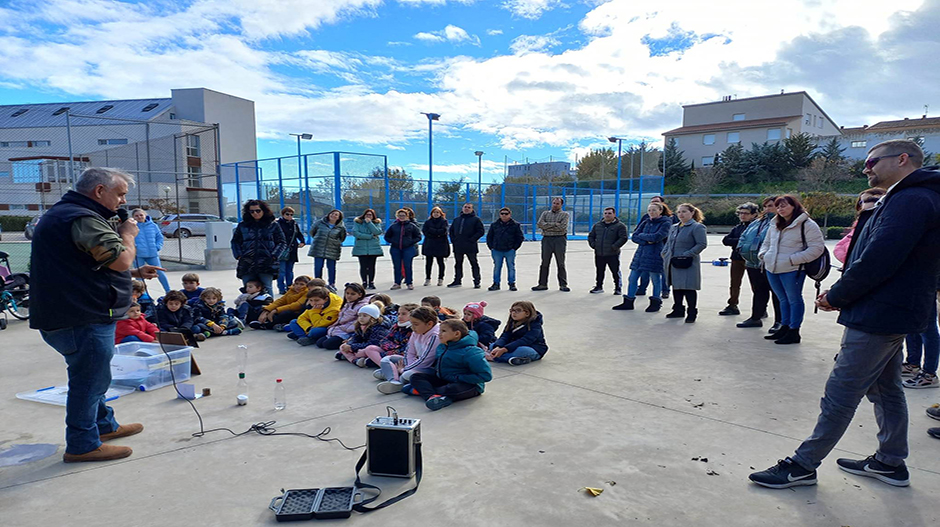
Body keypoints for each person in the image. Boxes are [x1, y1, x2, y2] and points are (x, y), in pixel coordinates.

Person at [750, 139, 940, 489]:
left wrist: (837, 295)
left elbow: (879, 259)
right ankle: (890, 462)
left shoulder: (913, 199)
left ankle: (802, 466)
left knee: (841, 391)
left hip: (879, 312)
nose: (865, 168)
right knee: (886, 389)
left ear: (901, 159)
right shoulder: (909, 197)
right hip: (890, 309)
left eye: (871, 161)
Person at [30, 167, 164, 462]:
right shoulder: (83, 217)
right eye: (120, 194)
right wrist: (128, 236)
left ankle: (103, 426)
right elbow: (117, 258)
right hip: (81, 315)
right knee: (89, 380)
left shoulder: (68, 213)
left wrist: (134, 272)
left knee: (94, 373)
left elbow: (83, 265)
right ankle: (82, 443)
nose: (122, 200)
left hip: (72, 311)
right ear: (99, 191)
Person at [758, 195, 825, 345]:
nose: (780, 209)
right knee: (783, 299)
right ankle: (785, 326)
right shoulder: (774, 223)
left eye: (784, 206)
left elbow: (817, 248)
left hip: (792, 269)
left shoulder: (807, 224)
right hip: (772, 267)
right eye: (778, 206)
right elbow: (766, 242)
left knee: (794, 300)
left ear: (794, 206)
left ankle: (794, 331)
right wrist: (764, 255)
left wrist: (793, 259)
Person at [407, 319, 493, 411]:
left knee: (451, 389)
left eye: (443, 331)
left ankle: (428, 392)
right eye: (440, 331)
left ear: (456, 334)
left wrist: (457, 378)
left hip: (469, 385)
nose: (439, 334)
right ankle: (433, 396)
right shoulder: (442, 346)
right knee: (416, 377)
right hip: (445, 379)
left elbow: (485, 375)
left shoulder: (471, 352)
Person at [613, 201, 671, 312]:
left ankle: (655, 302)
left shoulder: (666, 223)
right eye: (649, 210)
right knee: (632, 278)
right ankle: (629, 301)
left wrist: (644, 237)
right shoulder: (645, 222)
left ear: (660, 211)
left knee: (655, 279)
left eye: (654, 210)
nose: (651, 212)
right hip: (640, 254)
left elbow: (657, 237)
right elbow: (635, 236)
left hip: (655, 254)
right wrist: (646, 240)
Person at [735, 197, 782, 330]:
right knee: (759, 291)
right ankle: (756, 317)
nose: (767, 209)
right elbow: (744, 235)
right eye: (766, 206)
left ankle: (780, 321)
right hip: (752, 263)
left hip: (769, 264)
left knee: (776, 293)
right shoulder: (757, 222)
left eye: (771, 206)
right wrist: (741, 248)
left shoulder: (780, 222)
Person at [376, 306, 440, 394]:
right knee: (386, 359)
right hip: (415, 363)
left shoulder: (435, 336)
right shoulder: (416, 332)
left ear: (429, 324)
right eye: (411, 323)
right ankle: (394, 380)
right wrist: (407, 366)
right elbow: (409, 352)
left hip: (428, 367)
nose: (412, 327)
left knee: (407, 374)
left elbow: (425, 360)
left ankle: (396, 378)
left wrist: (404, 370)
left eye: (416, 324)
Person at [662, 203, 707, 323]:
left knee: (688, 288)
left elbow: (701, 244)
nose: (681, 214)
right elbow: (668, 243)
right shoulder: (674, 227)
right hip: (673, 261)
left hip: (688, 262)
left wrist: (687, 254)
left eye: (684, 211)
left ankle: (692, 312)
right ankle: (678, 309)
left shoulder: (697, 227)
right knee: (676, 287)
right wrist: (665, 253)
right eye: (679, 212)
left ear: (692, 213)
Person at [231, 199, 287, 296]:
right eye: (252, 211)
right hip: (247, 262)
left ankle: (268, 310)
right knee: (248, 289)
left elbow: (282, 242)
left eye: (258, 210)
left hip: (266, 262)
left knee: (267, 288)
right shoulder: (243, 226)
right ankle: (250, 310)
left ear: (263, 210)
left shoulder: (273, 225)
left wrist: (274, 256)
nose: (255, 213)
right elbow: (235, 241)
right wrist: (239, 255)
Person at [718, 203, 758, 316]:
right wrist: (740, 241)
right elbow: (726, 240)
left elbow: (752, 242)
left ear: (754, 215)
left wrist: (738, 242)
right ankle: (732, 304)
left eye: (746, 213)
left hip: (751, 259)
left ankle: (760, 308)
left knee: (755, 285)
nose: (742, 215)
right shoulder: (738, 227)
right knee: (734, 283)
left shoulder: (756, 228)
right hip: (736, 258)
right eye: (740, 213)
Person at [636, 196, 678, 298]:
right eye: (651, 203)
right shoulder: (646, 217)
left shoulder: (670, 218)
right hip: (647, 249)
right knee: (644, 271)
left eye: (656, 203)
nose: (652, 209)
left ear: (662, 205)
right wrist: (646, 240)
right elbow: (637, 233)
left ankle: (665, 290)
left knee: (662, 272)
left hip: (663, 247)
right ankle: (642, 288)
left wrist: (653, 238)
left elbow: (662, 235)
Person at [901, 281, 940, 389]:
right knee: (913, 322)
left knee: (927, 325)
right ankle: (913, 364)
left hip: (926, 281)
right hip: (915, 281)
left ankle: (929, 374)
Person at [833, 188, 886, 264]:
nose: (863, 204)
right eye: (861, 202)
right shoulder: (858, 224)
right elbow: (839, 247)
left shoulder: (881, 222)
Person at [364, 303, 417, 377]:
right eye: (398, 314)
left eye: (403, 314)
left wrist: (391, 350)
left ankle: (390, 371)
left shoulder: (413, 330)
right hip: (391, 351)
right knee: (370, 349)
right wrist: (394, 347)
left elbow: (406, 350)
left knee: (369, 361)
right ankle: (386, 368)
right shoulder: (396, 326)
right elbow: (384, 340)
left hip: (403, 356)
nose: (399, 316)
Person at [488, 301, 548, 366]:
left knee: (521, 351)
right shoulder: (512, 323)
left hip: (533, 347)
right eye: (512, 310)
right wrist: (498, 346)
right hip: (513, 345)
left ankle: (494, 358)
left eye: (518, 310)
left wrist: (505, 349)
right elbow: (505, 336)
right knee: (492, 345)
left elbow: (525, 340)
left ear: (527, 313)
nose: (513, 313)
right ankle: (514, 359)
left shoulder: (535, 325)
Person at [587, 207, 628, 295]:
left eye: (609, 213)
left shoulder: (620, 226)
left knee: (615, 271)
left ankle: (618, 287)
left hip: (612, 253)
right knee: (599, 271)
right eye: (605, 213)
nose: (607, 215)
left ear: (614, 214)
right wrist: (593, 245)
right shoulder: (597, 225)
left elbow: (623, 238)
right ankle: (599, 286)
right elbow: (591, 236)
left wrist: (615, 246)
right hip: (599, 253)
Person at [317, 282, 371, 349]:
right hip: (340, 329)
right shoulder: (346, 304)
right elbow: (340, 319)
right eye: (347, 293)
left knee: (327, 344)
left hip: (349, 332)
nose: (349, 296)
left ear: (360, 295)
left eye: (352, 294)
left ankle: (347, 342)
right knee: (319, 343)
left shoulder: (362, 306)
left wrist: (347, 329)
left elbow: (359, 322)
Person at [533, 197, 570, 292]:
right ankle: (542, 284)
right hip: (547, 239)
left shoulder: (565, 214)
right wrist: (555, 224)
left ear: (561, 205)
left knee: (560, 263)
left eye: (557, 203)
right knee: (544, 262)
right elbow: (540, 224)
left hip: (559, 239)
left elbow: (562, 227)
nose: (555, 205)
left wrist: (547, 226)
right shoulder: (545, 213)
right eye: (554, 203)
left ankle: (563, 284)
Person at [131, 208, 170, 293]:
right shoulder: (132, 227)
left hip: (152, 254)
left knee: (160, 273)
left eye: (141, 215)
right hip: (138, 255)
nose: (139, 217)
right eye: (136, 216)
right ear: (133, 217)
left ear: (145, 215)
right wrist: (134, 247)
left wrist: (157, 246)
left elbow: (159, 237)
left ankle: (168, 291)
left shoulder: (153, 226)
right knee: (139, 275)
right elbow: (128, 238)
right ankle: (142, 294)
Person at [447, 203, 485, 289]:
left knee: (473, 263)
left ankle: (476, 281)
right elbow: (451, 231)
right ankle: (457, 280)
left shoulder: (476, 220)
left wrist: (472, 239)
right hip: (458, 246)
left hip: (470, 246)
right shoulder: (457, 219)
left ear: (472, 209)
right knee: (458, 263)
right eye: (465, 207)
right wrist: (454, 240)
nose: (466, 209)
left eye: (469, 207)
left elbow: (480, 231)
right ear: (462, 208)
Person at [486, 207, 524, 291]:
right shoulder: (494, 225)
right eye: (502, 213)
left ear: (510, 215)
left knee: (511, 267)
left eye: (506, 214)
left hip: (509, 250)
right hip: (496, 250)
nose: (504, 215)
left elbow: (520, 237)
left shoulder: (515, 225)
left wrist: (514, 248)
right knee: (497, 267)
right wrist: (491, 247)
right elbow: (489, 237)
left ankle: (512, 284)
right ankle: (496, 284)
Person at [307, 209, 346, 289]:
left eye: (336, 215)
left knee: (331, 268)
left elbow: (342, 237)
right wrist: (319, 239)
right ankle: (318, 284)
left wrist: (334, 242)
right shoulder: (319, 223)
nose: (333, 215)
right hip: (318, 248)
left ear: (338, 218)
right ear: (329, 214)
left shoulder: (341, 227)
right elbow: (312, 232)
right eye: (332, 213)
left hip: (332, 249)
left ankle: (332, 284)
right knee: (318, 267)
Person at [384, 208, 422, 290]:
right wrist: (393, 242)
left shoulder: (412, 226)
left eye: (403, 215)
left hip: (408, 249)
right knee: (397, 266)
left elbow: (418, 237)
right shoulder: (393, 226)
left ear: (407, 216)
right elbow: (387, 236)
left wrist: (410, 242)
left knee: (407, 266)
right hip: (395, 249)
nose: (402, 217)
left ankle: (409, 283)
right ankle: (397, 283)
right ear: (397, 216)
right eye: (400, 215)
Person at [275, 206, 306, 295]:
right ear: (283, 214)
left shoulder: (294, 224)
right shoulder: (278, 224)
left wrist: (302, 242)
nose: (289, 216)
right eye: (287, 214)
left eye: (291, 214)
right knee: (281, 271)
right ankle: (281, 288)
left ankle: (290, 287)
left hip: (292, 249)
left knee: (290, 271)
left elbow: (299, 234)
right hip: (281, 249)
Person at [351, 208, 383, 290]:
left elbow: (377, 232)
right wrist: (369, 236)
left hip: (373, 248)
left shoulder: (376, 223)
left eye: (370, 215)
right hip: (361, 248)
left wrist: (370, 223)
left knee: (371, 266)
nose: (368, 216)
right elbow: (356, 233)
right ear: (364, 215)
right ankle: (364, 282)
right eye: (367, 214)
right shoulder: (358, 222)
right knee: (363, 266)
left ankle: (371, 282)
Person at [421, 206, 450, 287]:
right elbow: (425, 231)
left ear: (441, 214)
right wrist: (436, 233)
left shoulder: (444, 221)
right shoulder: (427, 222)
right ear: (431, 214)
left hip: (440, 245)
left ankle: (440, 279)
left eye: (437, 212)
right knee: (428, 263)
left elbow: (443, 231)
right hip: (429, 244)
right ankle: (428, 279)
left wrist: (432, 231)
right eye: (434, 212)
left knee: (440, 262)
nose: (436, 214)